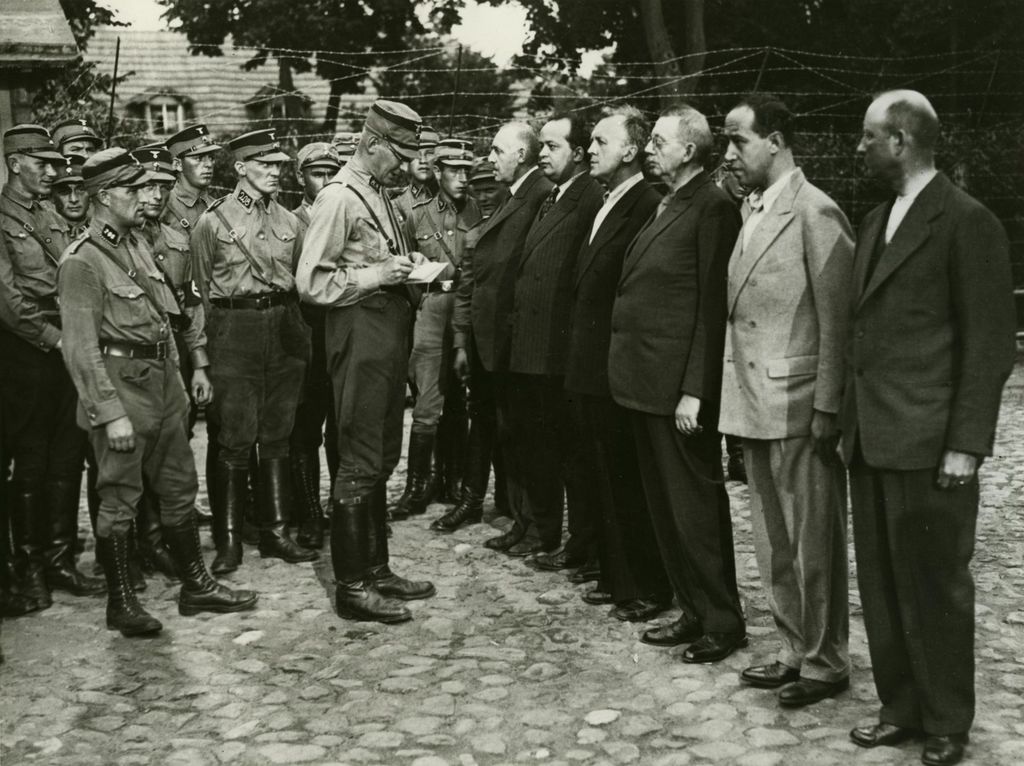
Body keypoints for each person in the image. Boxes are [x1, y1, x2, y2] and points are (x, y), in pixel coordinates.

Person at [841, 90, 1015, 766]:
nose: (858, 147)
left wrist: (966, 444)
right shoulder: (876, 220)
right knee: (883, 583)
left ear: (902, 140)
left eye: (866, 136)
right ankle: (902, 706)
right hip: (873, 438)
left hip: (929, 443)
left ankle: (947, 719)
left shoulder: (967, 222)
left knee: (937, 586)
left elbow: (989, 345)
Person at [59, 148, 257, 637]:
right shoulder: (82, 261)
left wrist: (180, 383)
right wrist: (109, 414)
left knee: (178, 488)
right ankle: (121, 602)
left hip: (162, 387)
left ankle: (196, 585)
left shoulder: (136, 245)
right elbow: (81, 351)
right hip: (121, 390)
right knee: (120, 497)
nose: (146, 197)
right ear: (103, 197)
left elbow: (165, 318)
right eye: (133, 189)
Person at [718, 94, 854, 707]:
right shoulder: (754, 209)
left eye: (738, 139)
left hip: (800, 404)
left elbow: (837, 320)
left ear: (775, 140)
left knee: (812, 540)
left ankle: (826, 662)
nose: (729, 152)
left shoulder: (814, 211)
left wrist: (829, 406)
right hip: (753, 401)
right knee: (773, 539)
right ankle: (794, 647)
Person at [609, 104, 746, 663]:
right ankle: (692, 610)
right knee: (666, 510)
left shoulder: (712, 207)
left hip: (677, 393)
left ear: (689, 150)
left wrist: (695, 389)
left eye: (660, 141)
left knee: (693, 509)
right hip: (644, 385)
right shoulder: (670, 202)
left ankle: (721, 620)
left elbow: (712, 309)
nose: (649, 149)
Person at [297, 100, 436, 624]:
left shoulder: (377, 194)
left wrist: (409, 268)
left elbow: (378, 260)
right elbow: (311, 282)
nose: (404, 164)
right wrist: (376, 277)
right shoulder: (339, 197)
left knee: (379, 453)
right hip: (358, 332)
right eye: (398, 154)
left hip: (387, 333)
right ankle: (352, 587)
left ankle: (376, 570)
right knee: (357, 456)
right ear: (373, 144)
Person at [188, 129, 317, 573]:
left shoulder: (290, 222)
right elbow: (200, 296)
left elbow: (302, 285)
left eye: (281, 165)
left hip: (283, 329)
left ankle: (277, 532)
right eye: (266, 165)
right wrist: (203, 358)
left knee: (278, 433)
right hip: (233, 331)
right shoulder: (213, 222)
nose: (277, 172)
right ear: (241, 168)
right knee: (235, 438)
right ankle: (228, 543)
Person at [563, 106, 668, 620]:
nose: (590, 150)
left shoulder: (647, 203)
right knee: (601, 476)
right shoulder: (606, 201)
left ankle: (641, 584)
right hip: (588, 366)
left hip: (616, 368)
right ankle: (614, 573)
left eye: (601, 141)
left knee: (625, 481)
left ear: (631, 151)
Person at [0, 125, 102, 611]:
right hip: (29, 353)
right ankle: (30, 565)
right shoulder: (1, 218)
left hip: (68, 344)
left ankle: (61, 558)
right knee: (33, 461)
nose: (53, 170)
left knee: (67, 453)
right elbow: (9, 301)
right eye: (41, 162)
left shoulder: (50, 213)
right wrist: (58, 339)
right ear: (15, 163)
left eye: (53, 161)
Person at [503, 114, 603, 561]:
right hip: (533, 348)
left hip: (557, 353)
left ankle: (576, 541)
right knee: (537, 447)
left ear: (579, 153)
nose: (542, 154)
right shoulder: (555, 198)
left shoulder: (588, 198)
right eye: (540, 146)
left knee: (568, 455)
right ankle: (540, 529)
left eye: (552, 146)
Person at [451, 123, 554, 552]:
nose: (490, 159)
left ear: (522, 154)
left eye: (497, 151)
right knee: (512, 435)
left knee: (526, 437)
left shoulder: (539, 196)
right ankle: (523, 522)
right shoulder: (519, 196)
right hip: (496, 341)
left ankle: (533, 524)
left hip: (518, 341)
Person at [391, 139, 481, 519]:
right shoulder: (416, 213)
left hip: (469, 309)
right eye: (454, 171)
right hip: (431, 308)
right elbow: (405, 269)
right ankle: (417, 486)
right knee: (427, 404)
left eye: (467, 171)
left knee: (461, 401)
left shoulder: (478, 210)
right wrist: (422, 306)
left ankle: (454, 479)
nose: (462, 178)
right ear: (438, 171)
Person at [431, 158, 511, 533]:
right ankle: (472, 500)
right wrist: (461, 344)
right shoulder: (474, 234)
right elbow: (464, 293)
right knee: (479, 420)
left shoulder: (520, 226)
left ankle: (514, 502)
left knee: (513, 424)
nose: (483, 195)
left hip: (513, 346)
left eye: (490, 187)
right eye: (477, 189)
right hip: (480, 345)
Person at [131, 144, 196, 582]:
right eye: (148, 186)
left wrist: (202, 362)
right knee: (130, 455)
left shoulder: (178, 240)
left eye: (165, 186)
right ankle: (139, 545)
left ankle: (163, 539)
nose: (156, 195)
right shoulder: (122, 241)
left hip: (173, 351)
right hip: (133, 358)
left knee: (174, 447)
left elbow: (191, 306)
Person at [289, 141, 343, 549]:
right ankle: (309, 514)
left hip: (343, 335)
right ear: (300, 178)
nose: (325, 181)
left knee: (343, 429)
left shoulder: (346, 215)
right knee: (305, 430)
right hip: (306, 339)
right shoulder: (290, 224)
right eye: (317, 174)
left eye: (331, 173)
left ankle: (346, 507)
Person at [392, 126, 440, 225]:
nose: (423, 161)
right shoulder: (398, 203)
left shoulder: (453, 196)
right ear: (406, 161)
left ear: (437, 158)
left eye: (429, 153)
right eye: (416, 154)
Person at [52, 154, 90, 237]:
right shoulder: (43, 232)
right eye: (64, 191)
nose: (74, 199)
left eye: (81, 190)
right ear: (52, 197)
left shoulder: (102, 229)